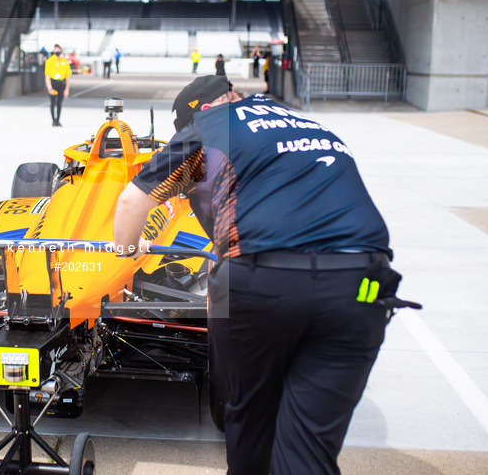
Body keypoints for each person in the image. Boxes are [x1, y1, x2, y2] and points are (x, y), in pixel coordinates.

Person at [114, 75, 417, 475]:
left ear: (202, 111)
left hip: (260, 281)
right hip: (361, 285)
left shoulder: (209, 126)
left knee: (252, 420)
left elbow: (133, 200)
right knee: (308, 451)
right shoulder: (307, 124)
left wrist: (127, 248)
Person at [44, 43, 71, 127]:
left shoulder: (65, 62)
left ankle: (58, 120)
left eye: (58, 49)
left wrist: (66, 89)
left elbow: (67, 77)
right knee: (52, 102)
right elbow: (47, 75)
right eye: (55, 49)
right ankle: (53, 120)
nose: (57, 51)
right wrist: (49, 88)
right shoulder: (49, 61)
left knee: (59, 103)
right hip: (53, 83)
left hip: (61, 83)